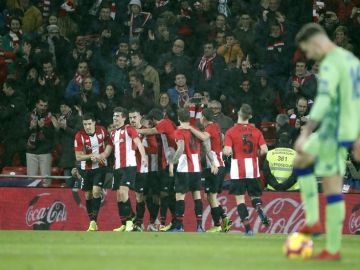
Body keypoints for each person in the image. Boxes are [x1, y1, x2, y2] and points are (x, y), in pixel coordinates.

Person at [293, 23, 360, 260]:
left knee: (331, 187)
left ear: (315, 42)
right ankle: (316, 227)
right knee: (301, 161)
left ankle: (328, 242)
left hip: (335, 132)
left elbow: (324, 98)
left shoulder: (332, 62)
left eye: (308, 51)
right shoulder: (352, 61)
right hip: (339, 129)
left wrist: (306, 131)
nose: (310, 56)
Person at [181, 108, 232, 232]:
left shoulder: (211, 127)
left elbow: (203, 138)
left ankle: (217, 225)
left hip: (215, 166)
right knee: (208, 196)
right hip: (214, 166)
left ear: (203, 117)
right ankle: (224, 218)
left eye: (200, 116)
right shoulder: (216, 127)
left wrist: (190, 128)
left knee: (212, 197)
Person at [223, 104, 269, 236]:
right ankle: (258, 207)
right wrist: (256, 154)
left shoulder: (231, 132)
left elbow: (227, 151)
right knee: (254, 196)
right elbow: (265, 150)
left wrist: (226, 152)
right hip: (253, 169)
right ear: (250, 116)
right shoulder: (256, 131)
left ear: (238, 113)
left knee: (240, 200)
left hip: (238, 169)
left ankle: (248, 228)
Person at [102, 107, 147, 232]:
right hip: (117, 168)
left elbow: (138, 143)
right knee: (118, 196)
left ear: (123, 118)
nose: (115, 118)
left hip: (129, 166)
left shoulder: (129, 129)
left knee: (123, 192)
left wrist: (143, 157)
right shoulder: (113, 133)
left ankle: (129, 222)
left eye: (117, 116)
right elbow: (108, 150)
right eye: (114, 115)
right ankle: (125, 222)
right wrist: (100, 156)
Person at [137, 108, 177, 231]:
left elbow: (151, 131)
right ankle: (170, 222)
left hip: (172, 162)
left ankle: (165, 223)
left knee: (166, 194)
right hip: (167, 163)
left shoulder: (164, 123)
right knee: (167, 194)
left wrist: (135, 131)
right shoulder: (168, 124)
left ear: (154, 119)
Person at [168, 108, 204, 232]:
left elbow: (181, 148)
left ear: (178, 118)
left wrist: (172, 162)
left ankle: (179, 226)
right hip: (197, 168)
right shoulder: (195, 130)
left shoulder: (178, 131)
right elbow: (204, 141)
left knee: (180, 197)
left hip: (184, 168)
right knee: (197, 196)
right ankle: (199, 226)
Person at [74, 113, 111, 231]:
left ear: (94, 123)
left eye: (89, 124)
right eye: (85, 124)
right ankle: (92, 222)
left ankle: (94, 221)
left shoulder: (102, 131)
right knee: (88, 194)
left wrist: (103, 155)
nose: (87, 126)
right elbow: (78, 157)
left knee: (96, 191)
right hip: (86, 169)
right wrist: (91, 156)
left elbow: (110, 143)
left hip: (100, 167)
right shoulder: (79, 136)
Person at [129, 108, 158, 231]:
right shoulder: (127, 130)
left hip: (145, 169)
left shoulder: (146, 132)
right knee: (133, 195)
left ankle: (148, 222)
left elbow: (154, 149)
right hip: (130, 168)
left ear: (140, 117)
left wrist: (140, 150)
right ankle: (138, 221)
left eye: (134, 117)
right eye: (130, 118)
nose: (132, 120)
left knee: (144, 196)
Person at [26, 96, 56, 187]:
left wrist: (44, 127)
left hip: (45, 152)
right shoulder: (28, 115)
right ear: (36, 104)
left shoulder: (51, 117)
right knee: (31, 181)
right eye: (41, 105)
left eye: (45, 105)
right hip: (31, 151)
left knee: (46, 181)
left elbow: (53, 136)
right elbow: (22, 133)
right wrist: (30, 128)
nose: (43, 107)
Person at [0, 78, 27, 170]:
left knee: (22, 160)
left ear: (10, 88)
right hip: (11, 135)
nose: (3, 89)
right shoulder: (8, 99)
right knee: (7, 159)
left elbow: (5, 114)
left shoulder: (19, 99)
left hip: (18, 136)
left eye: (4, 87)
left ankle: (31, 182)